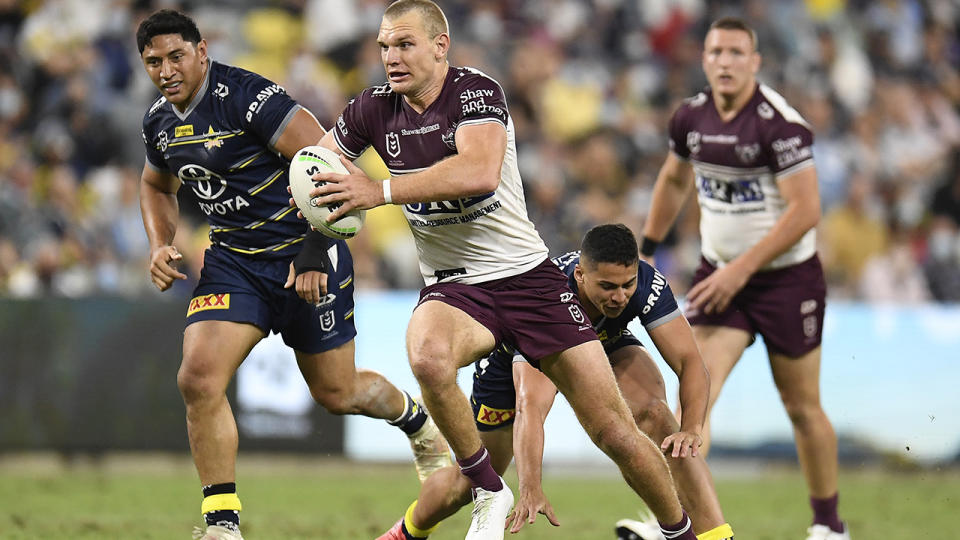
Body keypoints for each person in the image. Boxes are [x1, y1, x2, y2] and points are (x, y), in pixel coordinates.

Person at [297, 2, 698, 539]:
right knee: (428, 354)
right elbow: (317, 170)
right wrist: (307, 245)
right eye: (384, 46)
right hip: (456, 288)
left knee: (615, 432)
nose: (391, 57)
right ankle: (488, 487)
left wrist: (380, 191)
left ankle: (681, 534)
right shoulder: (370, 108)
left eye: (405, 44)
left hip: (527, 278)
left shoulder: (476, 92)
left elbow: (480, 171)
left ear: (440, 46)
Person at [135, 10, 450, 540]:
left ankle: (418, 424)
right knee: (198, 377)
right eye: (153, 62)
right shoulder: (158, 122)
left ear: (202, 51)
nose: (165, 70)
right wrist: (160, 243)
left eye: (175, 56)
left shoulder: (251, 100)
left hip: (306, 255)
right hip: (234, 264)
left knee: (338, 392)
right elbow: (155, 185)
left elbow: (337, 171)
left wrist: (312, 252)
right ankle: (222, 524)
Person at [376, 224, 736, 540]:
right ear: (579, 275)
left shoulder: (646, 284)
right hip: (519, 360)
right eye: (608, 287)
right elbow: (530, 406)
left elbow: (690, 361)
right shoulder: (546, 297)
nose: (620, 297)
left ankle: (714, 535)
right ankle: (406, 532)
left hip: (601, 343)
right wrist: (530, 486)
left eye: (627, 285)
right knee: (464, 486)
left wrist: (692, 427)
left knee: (657, 418)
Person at [640, 17, 849, 540]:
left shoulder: (779, 125)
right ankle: (676, 524)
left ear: (755, 62)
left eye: (737, 52)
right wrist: (647, 249)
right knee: (695, 401)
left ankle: (828, 525)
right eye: (717, 52)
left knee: (801, 406)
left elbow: (806, 212)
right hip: (720, 278)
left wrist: (741, 270)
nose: (726, 62)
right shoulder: (690, 117)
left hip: (786, 280)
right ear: (704, 60)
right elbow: (672, 179)